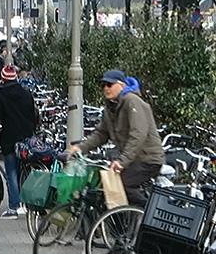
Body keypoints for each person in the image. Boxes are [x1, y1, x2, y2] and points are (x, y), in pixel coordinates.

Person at [69, 70, 164, 206]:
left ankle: (148, 213)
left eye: (109, 84)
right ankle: (122, 222)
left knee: (121, 185)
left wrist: (122, 161)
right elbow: (101, 134)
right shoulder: (111, 107)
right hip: (133, 160)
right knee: (105, 187)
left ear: (122, 85)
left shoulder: (132, 101)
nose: (106, 88)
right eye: (103, 85)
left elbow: (138, 134)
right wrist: (80, 148)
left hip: (147, 159)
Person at [0, 65, 37, 218]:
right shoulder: (26, 94)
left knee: (11, 173)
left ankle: (13, 207)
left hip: (9, 139)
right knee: (23, 171)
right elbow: (33, 116)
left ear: (3, 79)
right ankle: (26, 205)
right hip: (26, 138)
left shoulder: (0, 95)